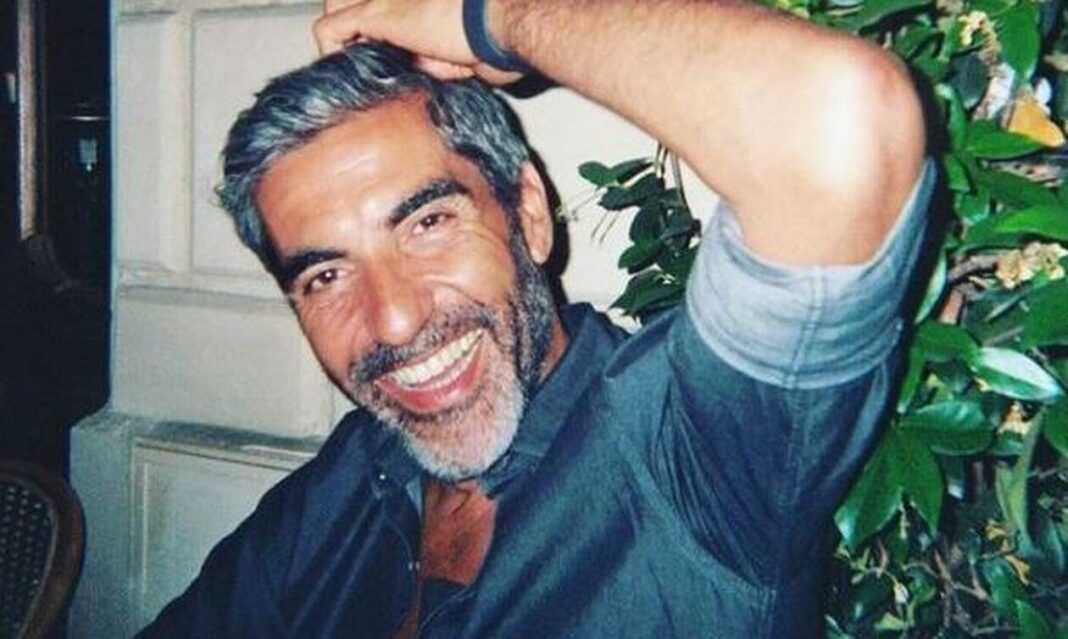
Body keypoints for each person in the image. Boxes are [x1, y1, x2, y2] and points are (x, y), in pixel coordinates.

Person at [138, 0, 932, 636]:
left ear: (529, 213)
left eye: (428, 223)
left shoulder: (688, 456)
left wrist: (496, 16)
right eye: (326, 274)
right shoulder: (349, 483)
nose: (394, 320)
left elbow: (842, 122)